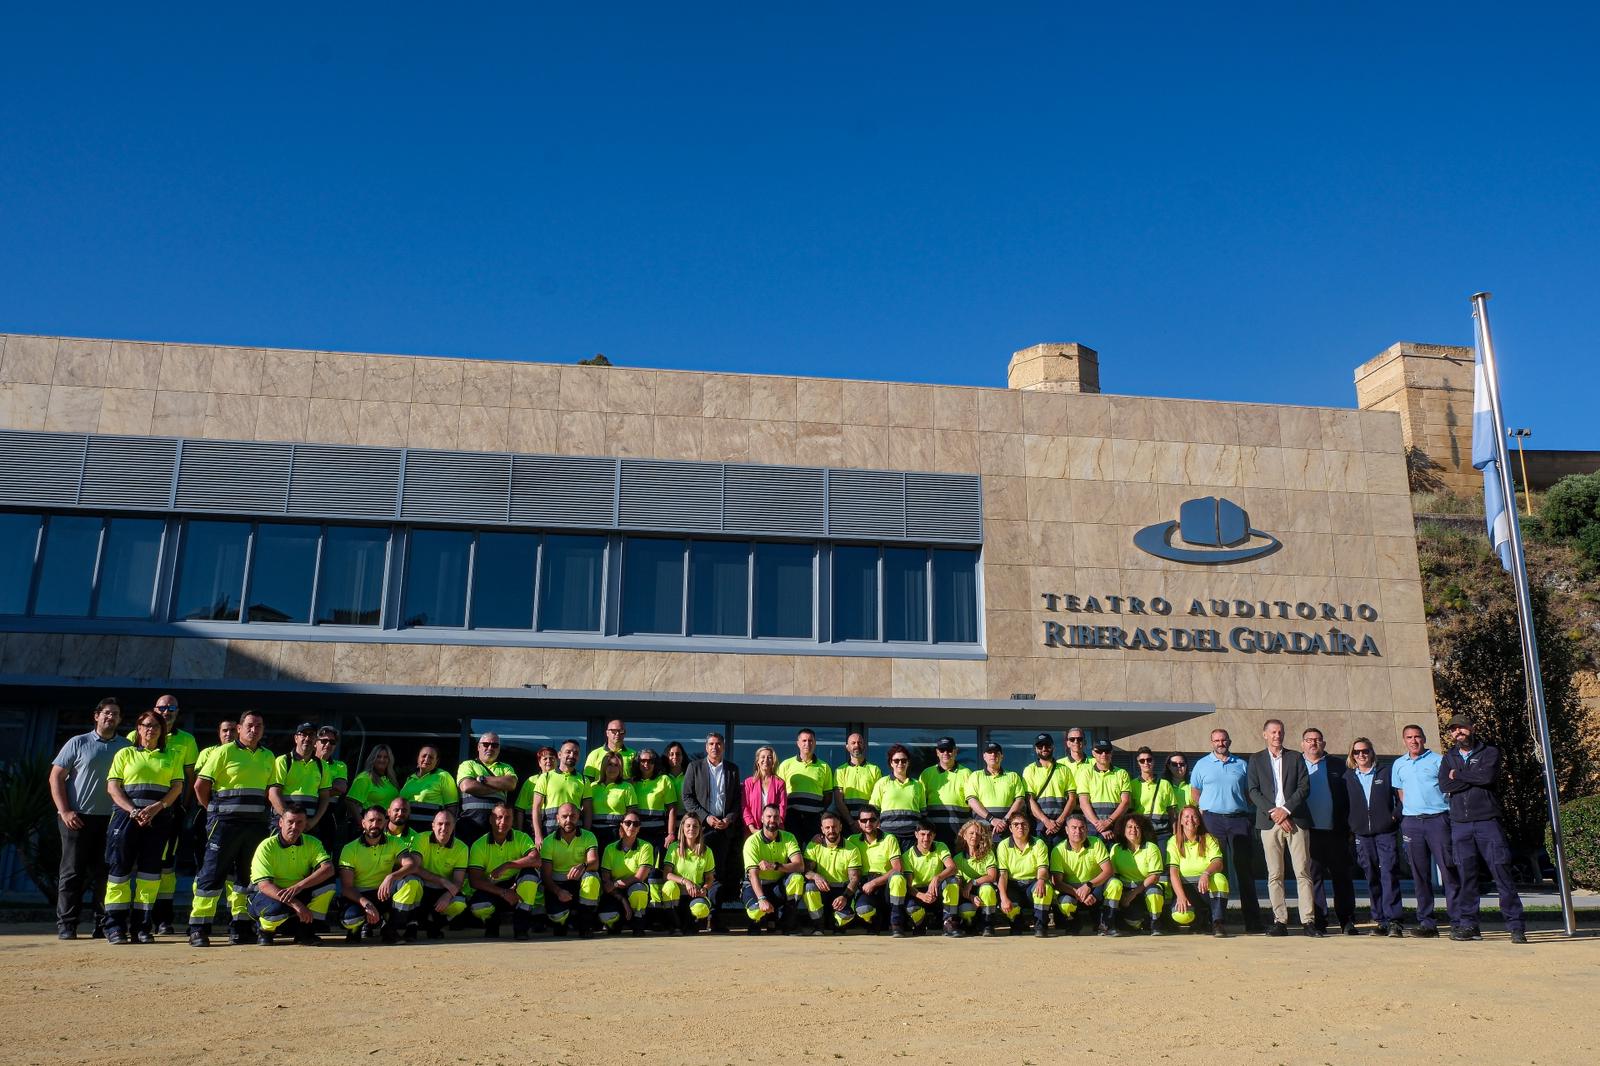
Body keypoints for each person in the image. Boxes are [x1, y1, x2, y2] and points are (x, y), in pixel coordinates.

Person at [189, 709, 275, 947]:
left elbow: (270, 790)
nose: (253, 729)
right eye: (249, 725)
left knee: (245, 877)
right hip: (225, 824)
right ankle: (199, 927)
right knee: (212, 874)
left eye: (258, 725)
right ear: (239, 728)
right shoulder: (224, 752)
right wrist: (213, 810)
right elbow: (200, 786)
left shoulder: (268, 756)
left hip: (256, 826)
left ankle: (240, 926)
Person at [1440, 715, 1527, 944]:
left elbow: (1487, 777)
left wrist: (1458, 774)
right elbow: (1444, 785)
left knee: (1501, 872)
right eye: (1454, 729)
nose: (1458, 732)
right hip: (1460, 823)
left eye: (1462, 728)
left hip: (1487, 821)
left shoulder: (1489, 752)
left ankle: (1515, 925)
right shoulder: (1449, 756)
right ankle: (1469, 925)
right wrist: (1469, 778)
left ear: (1472, 728)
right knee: (1466, 876)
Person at [49, 697, 128, 940]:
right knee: (72, 873)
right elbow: (56, 777)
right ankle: (67, 925)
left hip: (111, 819)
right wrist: (65, 811)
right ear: (96, 716)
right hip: (77, 818)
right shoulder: (78, 742)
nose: (110, 717)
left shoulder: (125, 747)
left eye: (115, 714)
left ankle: (103, 925)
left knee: (105, 874)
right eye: (106, 713)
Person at [102, 710, 183, 944]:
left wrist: (156, 808)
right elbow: (113, 788)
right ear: (138, 728)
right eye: (146, 725)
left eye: (156, 726)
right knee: (119, 873)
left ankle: (142, 926)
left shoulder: (172, 755)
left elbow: (176, 788)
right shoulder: (125, 753)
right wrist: (134, 811)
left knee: (150, 875)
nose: (151, 729)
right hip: (125, 818)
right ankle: (115, 926)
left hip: (158, 820)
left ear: (163, 730)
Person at [136, 695, 198, 936]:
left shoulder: (186, 740)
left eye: (172, 708)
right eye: (162, 707)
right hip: (136, 811)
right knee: (133, 864)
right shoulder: (135, 736)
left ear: (178, 711)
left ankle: (162, 918)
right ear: (154, 709)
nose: (167, 711)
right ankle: (135, 918)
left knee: (165, 866)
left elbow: (190, 777)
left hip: (169, 811)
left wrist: (184, 806)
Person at [1248, 718, 1317, 937]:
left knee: (1302, 872)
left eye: (1281, 732)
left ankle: (1308, 921)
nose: (1278, 735)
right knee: (1275, 873)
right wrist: (1275, 813)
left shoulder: (1296, 757)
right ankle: (1280, 921)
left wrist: (1285, 810)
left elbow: (1304, 788)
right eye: (1274, 732)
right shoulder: (1256, 759)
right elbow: (1253, 790)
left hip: (1295, 820)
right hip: (1269, 823)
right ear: (1265, 734)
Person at [1390, 723, 1460, 938]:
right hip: (1412, 822)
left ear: (1424, 738)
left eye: (1417, 736)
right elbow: (1400, 792)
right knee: (1420, 875)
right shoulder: (1399, 764)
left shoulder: (1439, 761)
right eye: (1409, 737)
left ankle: (1458, 921)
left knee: (1449, 870)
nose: (1414, 740)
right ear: (1404, 740)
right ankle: (1427, 923)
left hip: (1438, 820)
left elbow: (1449, 789)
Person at [1190, 727, 1262, 932]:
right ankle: (1217, 919)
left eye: (1223, 740)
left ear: (1229, 741)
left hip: (1239, 820)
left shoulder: (1241, 764)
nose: (1220, 743)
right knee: (1217, 869)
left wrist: (1245, 808)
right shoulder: (1202, 765)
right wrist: (1203, 809)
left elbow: (1250, 792)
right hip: (1212, 820)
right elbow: (1195, 790)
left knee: (1244, 870)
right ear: (1211, 742)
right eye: (1216, 740)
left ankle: (1253, 921)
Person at [245, 807, 336, 946]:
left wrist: (299, 886)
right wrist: (296, 903)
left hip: (296, 890)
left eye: (300, 822)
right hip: (267, 895)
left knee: (328, 885)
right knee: (276, 912)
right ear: (281, 822)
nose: (294, 827)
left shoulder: (313, 842)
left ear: (306, 824)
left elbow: (328, 869)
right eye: (290, 822)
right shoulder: (266, 846)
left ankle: (305, 932)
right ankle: (265, 930)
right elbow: (264, 885)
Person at [681, 732, 741, 929]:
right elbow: (687, 798)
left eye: (719, 744)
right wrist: (707, 817)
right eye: (711, 744)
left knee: (719, 875)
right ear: (706, 747)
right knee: (699, 872)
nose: (715, 747)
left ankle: (715, 917)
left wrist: (728, 819)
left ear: (723, 747)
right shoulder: (694, 767)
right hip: (701, 830)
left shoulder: (732, 769)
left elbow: (737, 802)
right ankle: (696, 917)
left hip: (724, 831)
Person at [1302, 726, 1356, 935]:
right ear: (1303, 744)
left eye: (1317, 740)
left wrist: (1349, 826)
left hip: (1336, 831)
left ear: (1323, 743)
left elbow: (1349, 797)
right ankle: (1320, 921)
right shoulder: (1296, 764)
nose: (1313, 743)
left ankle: (1347, 920)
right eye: (1309, 740)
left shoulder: (1338, 765)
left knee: (1341, 877)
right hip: (1309, 831)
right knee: (1314, 878)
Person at [1345, 737, 1402, 936]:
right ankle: (1380, 921)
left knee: (1388, 873)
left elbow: (1401, 797)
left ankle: (1394, 920)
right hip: (1362, 833)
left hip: (1385, 832)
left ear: (1372, 752)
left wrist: (1395, 814)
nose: (1361, 755)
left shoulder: (1385, 772)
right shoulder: (1348, 777)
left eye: (1365, 751)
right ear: (1352, 755)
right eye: (1357, 752)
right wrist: (1351, 826)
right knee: (1371, 876)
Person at [337, 805, 417, 943]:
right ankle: (355, 930)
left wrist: (391, 876)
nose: (375, 824)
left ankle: (390, 930)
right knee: (350, 919)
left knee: (412, 882)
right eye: (371, 820)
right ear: (363, 823)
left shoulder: (395, 842)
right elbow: (346, 887)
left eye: (379, 820)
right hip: (360, 896)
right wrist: (367, 904)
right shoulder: (349, 848)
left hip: (383, 893)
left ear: (385, 822)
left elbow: (411, 864)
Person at [466, 801, 542, 939]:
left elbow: (536, 859)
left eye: (508, 818)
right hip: (493, 888)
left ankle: (521, 928)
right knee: (479, 907)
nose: (503, 821)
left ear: (513, 820)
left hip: (516, 887)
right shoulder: (479, 845)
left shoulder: (521, 837)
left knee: (530, 877)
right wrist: (503, 892)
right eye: (499, 817)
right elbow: (475, 881)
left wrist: (507, 865)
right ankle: (492, 925)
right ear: (491, 819)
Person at [393, 809, 469, 939]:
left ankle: (434, 926)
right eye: (440, 824)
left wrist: (448, 895)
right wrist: (442, 880)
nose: (443, 828)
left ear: (454, 825)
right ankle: (411, 925)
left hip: (441, 891)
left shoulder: (462, 847)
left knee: (459, 903)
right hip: (422, 887)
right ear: (433, 825)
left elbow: (458, 881)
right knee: (412, 883)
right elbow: (414, 868)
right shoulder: (420, 838)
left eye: (448, 824)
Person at [741, 803, 806, 935]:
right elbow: (753, 875)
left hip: (777, 886)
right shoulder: (752, 841)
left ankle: (788, 923)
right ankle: (759, 921)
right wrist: (761, 899)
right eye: (769, 816)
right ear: (762, 818)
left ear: (780, 819)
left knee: (797, 879)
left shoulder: (788, 837)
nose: (772, 820)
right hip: (756, 887)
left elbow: (800, 865)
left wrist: (775, 866)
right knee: (756, 912)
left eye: (776, 817)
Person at [1166, 805, 1230, 937]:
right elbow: (1173, 872)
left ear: (1199, 820)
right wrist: (1181, 896)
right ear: (1181, 821)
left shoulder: (1209, 839)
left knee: (1220, 879)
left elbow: (1218, 863)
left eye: (1194, 816)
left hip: (1205, 886)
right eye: (1186, 817)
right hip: (1186, 888)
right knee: (1181, 916)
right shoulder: (1173, 841)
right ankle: (1199, 919)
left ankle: (1217, 923)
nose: (1191, 820)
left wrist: (1206, 874)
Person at [540, 802, 601, 937]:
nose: (568, 820)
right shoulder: (548, 842)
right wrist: (558, 891)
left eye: (572, 816)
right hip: (558, 886)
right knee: (558, 921)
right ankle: (563, 920)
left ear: (578, 816)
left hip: (579, 883)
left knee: (592, 878)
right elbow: (546, 876)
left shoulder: (588, 836)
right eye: (564, 816)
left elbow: (595, 862)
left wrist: (583, 865)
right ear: (557, 818)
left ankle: (586, 925)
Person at [1049, 812, 1115, 936]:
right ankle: (1073, 923)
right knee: (1066, 903)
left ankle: (1106, 923)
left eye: (1082, 827)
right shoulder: (1058, 850)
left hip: (1094, 887)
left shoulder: (1096, 843)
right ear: (1067, 830)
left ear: (1086, 829)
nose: (1078, 831)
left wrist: (1088, 886)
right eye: (1074, 828)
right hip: (1071, 890)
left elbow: (1108, 871)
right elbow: (1057, 882)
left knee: (1115, 884)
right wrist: (1078, 893)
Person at [848, 804, 907, 936]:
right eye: (864, 820)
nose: (868, 823)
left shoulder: (889, 839)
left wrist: (874, 883)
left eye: (872, 820)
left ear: (878, 821)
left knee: (898, 878)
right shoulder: (852, 840)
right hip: (864, 885)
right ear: (859, 823)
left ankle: (896, 923)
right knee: (863, 909)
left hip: (885, 884)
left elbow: (898, 868)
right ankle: (876, 921)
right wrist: (820, 839)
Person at [1107, 812, 1168, 936]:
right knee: (1113, 884)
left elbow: (1154, 876)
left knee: (1154, 891)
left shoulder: (1151, 848)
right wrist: (1123, 895)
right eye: (1129, 827)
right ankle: (1109, 922)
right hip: (1125, 890)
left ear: (1143, 830)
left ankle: (1155, 923)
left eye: (1137, 827)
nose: (1133, 830)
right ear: (1123, 830)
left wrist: (1133, 894)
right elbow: (1113, 875)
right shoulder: (1116, 848)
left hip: (1144, 888)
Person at [803, 811, 863, 933]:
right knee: (809, 887)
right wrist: (815, 876)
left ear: (840, 827)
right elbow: (806, 870)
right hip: (823, 889)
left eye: (834, 826)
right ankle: (818, 927)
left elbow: (855, 879)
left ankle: (834, 922)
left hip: (842, 891)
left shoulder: (852, 849)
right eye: (827, 827)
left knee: (843, 920)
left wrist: (845, 897)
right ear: (822, 829)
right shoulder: (814, 845)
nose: (831, 830)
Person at [994, 812, 1052, 937]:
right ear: (1010, 828)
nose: (1020, 827)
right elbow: (1003, 875)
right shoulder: (1003, 845)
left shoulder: (1039, 843)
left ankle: (1040, 925)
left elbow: (1043, 868)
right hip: (1013, 884)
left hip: (1033, 883)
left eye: (1023, 824)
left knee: (1045, 888)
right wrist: (1003, 898)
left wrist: (1041, 880)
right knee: (1004, 896)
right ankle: (1017, 923)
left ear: (1029, 826)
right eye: (1016, 824)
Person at [778, 728, 841, 844]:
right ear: (798, 743)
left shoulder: (824, 767)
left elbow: (828, 795)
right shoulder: (786, 765)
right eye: (804, 740)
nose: (807, 744)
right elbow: (779, 792)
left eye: (811, 741)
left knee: (813, 850)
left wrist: (819, 811)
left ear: (815, 743)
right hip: (792, 816)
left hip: (814, 817)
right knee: (792, 849)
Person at [659, 812, 718, 934]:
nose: (691, 829)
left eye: (695, 826)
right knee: (669, 887)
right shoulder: (674, 848)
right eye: (688, 826)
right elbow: (667, 875)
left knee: (699, 911)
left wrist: (705, 889)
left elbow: (709, 878)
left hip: (694, 894)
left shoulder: (707, 851)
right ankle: (674, 924)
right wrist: (685, 881)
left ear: (700, 829)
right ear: (682, 828)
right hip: (677, 895)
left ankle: (693, 921)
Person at [598, 813, 656, 936]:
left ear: (639, 828)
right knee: (610, 922)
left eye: (636, 824)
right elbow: (606, 883)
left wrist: (616, 883)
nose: (632, 826)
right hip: (616, 894)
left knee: (638, 889)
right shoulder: (610, 848)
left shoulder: (646, 846)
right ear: (621, 825)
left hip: (634, 889)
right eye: (628, 823)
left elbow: (639, 877)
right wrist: (623, 900)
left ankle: (638, 922)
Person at [456, 732, 518, 845]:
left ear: (499, 749)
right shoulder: (468, 764)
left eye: (495, 745)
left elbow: (511, 784)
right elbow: (467, 786)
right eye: (486, 744)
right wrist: (500, 786)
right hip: (469, 825)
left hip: (498, 826)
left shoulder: (506, 767)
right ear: (478, 747)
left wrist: (482, 780)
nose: (490, 748)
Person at [268, 722, 330, 834]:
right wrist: (289, 820)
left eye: (311, 735)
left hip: (309, 824)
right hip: (284, 824)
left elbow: (325, 797)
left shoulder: (323, 766)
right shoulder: (283, 761)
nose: (307, 738)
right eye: (303, 734)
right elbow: (273, 794)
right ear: (296, 738)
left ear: (316, 740)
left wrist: (314, 821)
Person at [901, 818, 959, 936]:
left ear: (934, 836)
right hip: (918, 892)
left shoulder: (940, 846)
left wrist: (937, 877)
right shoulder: (907, 856)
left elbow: (952, 867)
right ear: (916, 834)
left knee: (952, 881)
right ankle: (920, 923)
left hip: (936, 890)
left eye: (929, 835)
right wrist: (921, 896)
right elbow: (908, 885)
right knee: (912, 908)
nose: (926, 839)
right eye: (922, 834)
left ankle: (949, 921)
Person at [528, 740, 592, 845]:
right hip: (549, 833)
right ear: (559, 754)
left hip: (575, 835)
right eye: (568, 752)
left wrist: (586, 836)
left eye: (575, 753)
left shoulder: (584, 781)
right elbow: (536, 808)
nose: (572, 755)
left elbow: (588, 812)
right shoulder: (546, 777)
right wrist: (538, 835)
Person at [965, 741, 1026, 840]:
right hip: (982, 830)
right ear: (984, 756)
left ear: (1002, 756)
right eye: (989, 752)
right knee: (984, 855)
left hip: (1006, 829)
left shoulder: (1013, 776)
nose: (993, 755)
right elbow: (972, 801)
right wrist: (992, 819)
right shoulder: (975, 776)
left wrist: (1004, 821)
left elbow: (1020, 801)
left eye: (996, 753)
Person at [869, 745, 926, 849]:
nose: (900, 763)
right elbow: (873, 811)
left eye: (904, 760)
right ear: (891, 763)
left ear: (908, 762)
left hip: (911, 837)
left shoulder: (918, 785)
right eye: (896, 761)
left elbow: (923, 814)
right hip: (888, 835)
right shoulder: (882, 783)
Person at [1023, 732, 1075, 846]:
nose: (1044, 748)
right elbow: (1029, 800)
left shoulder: (1065, 770)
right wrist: (1046, 822)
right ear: (1036, 749)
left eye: (1047, 745)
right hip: (1039, 827)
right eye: (1040, 746)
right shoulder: (1029, 770)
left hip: (1061, 827)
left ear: (1053, 747)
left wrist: (1059, 822)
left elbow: (1072, 798)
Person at [919, 737, 970, 849]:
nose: (946, 753)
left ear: (955, 751)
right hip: (934, 833)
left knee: (958, 864)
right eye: (942, 750)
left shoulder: (966, 773)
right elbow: (920, 803)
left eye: (949, 750)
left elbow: (972, 803)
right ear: (937, 752)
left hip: (960, 832)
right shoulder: (926, 774)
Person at [953, 817, 1000, 936]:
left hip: (983, 892)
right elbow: (957, 883)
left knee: (987, 888)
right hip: (966, 895)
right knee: (966, 909)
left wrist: (972, 882)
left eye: (978, 834)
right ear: (964, 835)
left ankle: (988, 924)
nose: (974, 836)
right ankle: (968, 924)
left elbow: (992, 876)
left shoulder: (988, 854)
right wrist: (971, 897)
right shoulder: (958, 858)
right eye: (971, 833)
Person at [1078, 740, 1133, 841]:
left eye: (1107, 751)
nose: (1103, 754)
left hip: (1116, 827)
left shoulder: (1122, 773)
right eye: (1099, 751)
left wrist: (1108, 822)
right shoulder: (1085, 773)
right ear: (1093, 753)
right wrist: (1100, 826)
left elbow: (1125, 802)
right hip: (1093, 828)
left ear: (1111, 753)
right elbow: (1083, 803)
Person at [399, 746, 459, 835]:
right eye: (424, 756)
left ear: (437, 761)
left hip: (429, 831)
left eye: (431, 757)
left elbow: (452, 808)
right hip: (407, 830)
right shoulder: (410, 779)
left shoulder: (444, 776)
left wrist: (446, 832)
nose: (426, 759)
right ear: (418, 759)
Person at [631, 748, 679, 853]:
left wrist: (671, 833)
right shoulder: (632, 783)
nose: (646, 764)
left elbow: (672, 809)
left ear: (655, 763)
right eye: (643, 761)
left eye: (650, 761)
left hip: (658, 834)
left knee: (655, 869)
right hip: (636, 832)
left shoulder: (664, 780)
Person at [1131, 746, 1179, 849]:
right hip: (1142, 833)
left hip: (1163, 834)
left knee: (1164, 863)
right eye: (1142, 760)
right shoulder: (1133, 785)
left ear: (1153, 761)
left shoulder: (1165, 784)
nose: (1146, 763)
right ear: (1138, 763)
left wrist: (1175, 834)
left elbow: (1172, 813)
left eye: (1149, 760)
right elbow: (1130, 813)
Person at [313, 726, 350, 860]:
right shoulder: (307, 762)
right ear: (315, 742)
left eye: (332, 742)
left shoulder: (340, 765)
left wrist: (314, 787)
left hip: (328, 814)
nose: (328, 744)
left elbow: (341, 787)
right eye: (323, 741)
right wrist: (330, 786)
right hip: (307, 811)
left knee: (324, 853)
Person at [590, 751, 636, 852]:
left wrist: (625, 834)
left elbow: (631, 814)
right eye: (609, 765)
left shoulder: (627, 787)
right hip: (595, 833)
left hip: (617, 833)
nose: (613, 768)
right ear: (603, 767)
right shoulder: (593, 787)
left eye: (616, 765)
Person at [835, 732, 881, 822]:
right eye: (853, 743)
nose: (857, 745)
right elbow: (839, 801)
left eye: (860, 742)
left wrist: (865, 821)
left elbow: (877, 799)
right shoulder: (840, 771)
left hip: (868, 822)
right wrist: (851, 822)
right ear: (847, 747)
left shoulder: (875, 770)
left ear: (864, 746)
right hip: (846, 822)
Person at [742, 746, 787, 836]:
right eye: (762, 757)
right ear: (757, 761)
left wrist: (775, 825)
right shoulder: (749, 782)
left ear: (773, 761)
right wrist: (752, 828)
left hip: (774, 829)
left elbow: (782, 807)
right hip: (752, 830)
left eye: (769, 757)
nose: (766, 760)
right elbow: (745, 807)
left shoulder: (779, 783)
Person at [513, 745, 558, 835]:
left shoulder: (561, 781)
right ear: (539, 763)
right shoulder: (531, 781)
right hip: (532, 828)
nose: (548, 761)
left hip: (554, 827)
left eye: (552, 758)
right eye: (545, 759)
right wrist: (519, 833)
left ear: (557, 761)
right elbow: (520, 810)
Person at [347, 744, 401, 818]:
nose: (382, 760)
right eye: (378, 757)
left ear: (389, 760)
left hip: (387, 823)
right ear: (372, 758)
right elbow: (350, 802)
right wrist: (361, 823)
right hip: (372, 824)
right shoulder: (364, 778)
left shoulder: (391, 779)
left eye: (385, 757)